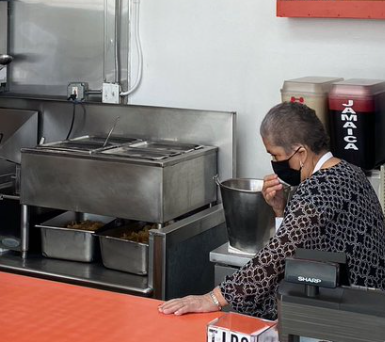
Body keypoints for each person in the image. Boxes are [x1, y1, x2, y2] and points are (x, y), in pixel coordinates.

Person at [159, 102, 385, 320]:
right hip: (370, 304)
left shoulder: (318, 190)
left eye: (276, 155)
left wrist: (213, 299)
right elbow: (300, 241)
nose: (274, 162)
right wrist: (280, 210)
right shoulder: (351, 172)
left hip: (351, 316)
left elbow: (275, 258)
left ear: (301, 153)